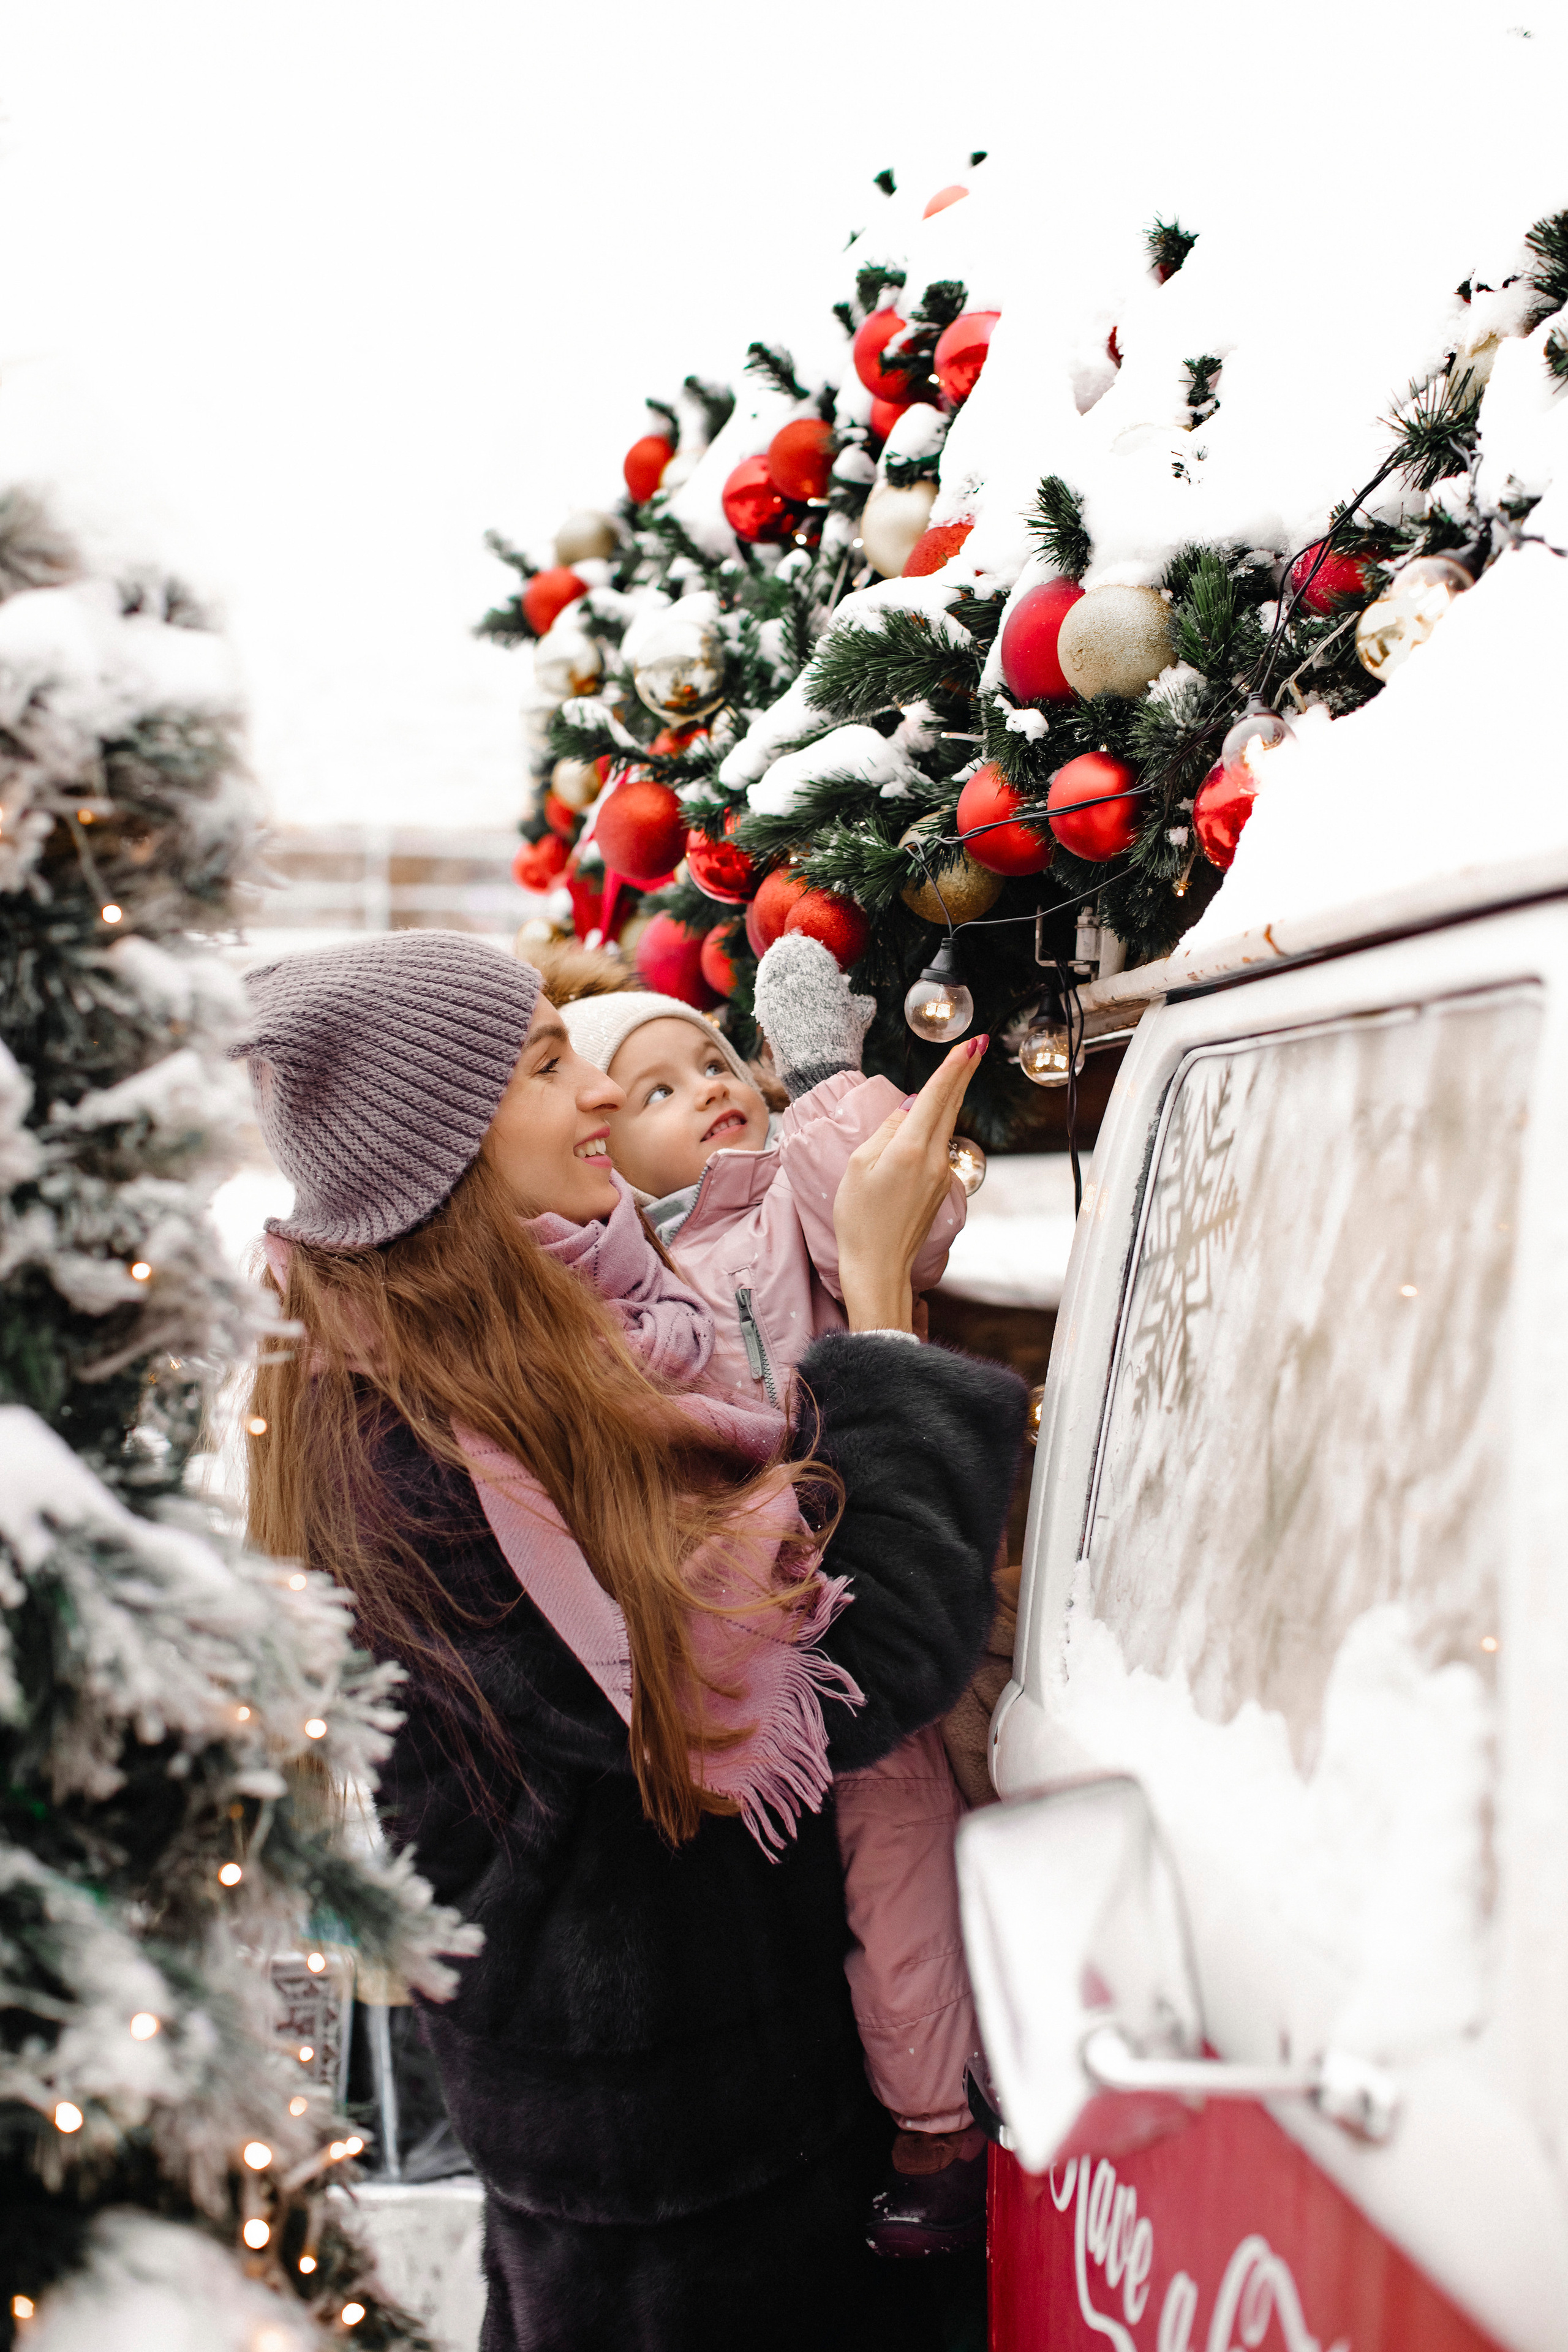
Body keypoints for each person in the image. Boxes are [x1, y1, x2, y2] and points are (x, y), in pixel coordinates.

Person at [237, 930, 1027, 2352]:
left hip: (682, 2093)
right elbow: (848, 1670)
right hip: (670, 2151)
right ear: (448, 1152)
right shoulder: (433, 1454)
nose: (597, 1095)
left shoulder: (564, 1329)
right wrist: (881, 1305)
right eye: (547, 1068)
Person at [560, 934, 990, 2255]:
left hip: (864, 1596)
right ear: (599, 1153)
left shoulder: (784, 1199)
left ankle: (940, 2118)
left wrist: (819, 1077)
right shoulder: (606, 1284)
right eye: (650, 1091)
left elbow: (903, 1213)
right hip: (741, 1634)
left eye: (709, 1058)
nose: (701, 1089)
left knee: (905, 1850)